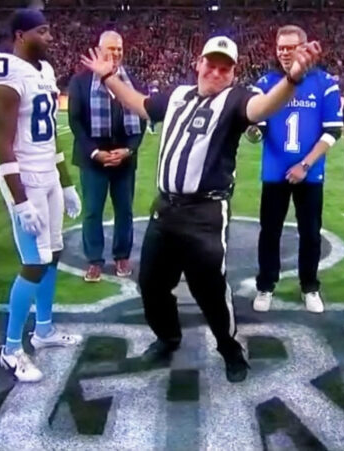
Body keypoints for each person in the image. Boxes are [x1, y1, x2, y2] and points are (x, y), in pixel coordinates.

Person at [80, 35, 322, 384]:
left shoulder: (238, 98)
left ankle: (229, 348)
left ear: (233, 73)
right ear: (199, 62)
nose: (216, 72)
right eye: (211, 64)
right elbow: (141, 104)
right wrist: (108, 78)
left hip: (205, 214)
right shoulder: (177, 95)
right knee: (151, 285)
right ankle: (168, 338)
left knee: (209, 290)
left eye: (225, 68)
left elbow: (264, 107)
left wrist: (293, 78)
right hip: (165, 210)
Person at [0, 9, 83, 383]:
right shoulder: (4, 69)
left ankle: (43, 330)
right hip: (24, 175)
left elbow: (52, 134)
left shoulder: (44, 72)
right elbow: (2, 141)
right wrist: (20, 198)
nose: (51, 37)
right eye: (43, 31)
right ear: (21, 35)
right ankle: (10, 348)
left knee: (53, 254)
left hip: (48, 176)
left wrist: (67, 182)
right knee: (33, 262)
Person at [248, 25, 342, 314]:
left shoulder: (325, 83)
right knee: (270, 232)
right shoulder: (266, 82)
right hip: (275, 171)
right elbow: (258, 128)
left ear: (304, 48)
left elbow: (332, 133)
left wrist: (304, 164)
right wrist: (251, 131)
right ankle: (265, 285)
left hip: (310, 172)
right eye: (281, 48)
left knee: (310, 233)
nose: (285, 53)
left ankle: (310, 287)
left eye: (291, 47)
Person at [68, 30, 143, 282]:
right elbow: (76, 122)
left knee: (125, 211)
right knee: (92, 211)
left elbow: (141, 117)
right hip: (93, 158)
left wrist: (129, 149)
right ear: (99, 51)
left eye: (119, 49)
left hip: (124, 157)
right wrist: (95, 152)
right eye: (111, 49)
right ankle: (94, 261)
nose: (116, 53)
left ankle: (122, 256)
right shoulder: (80, 82)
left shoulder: (130, 80)